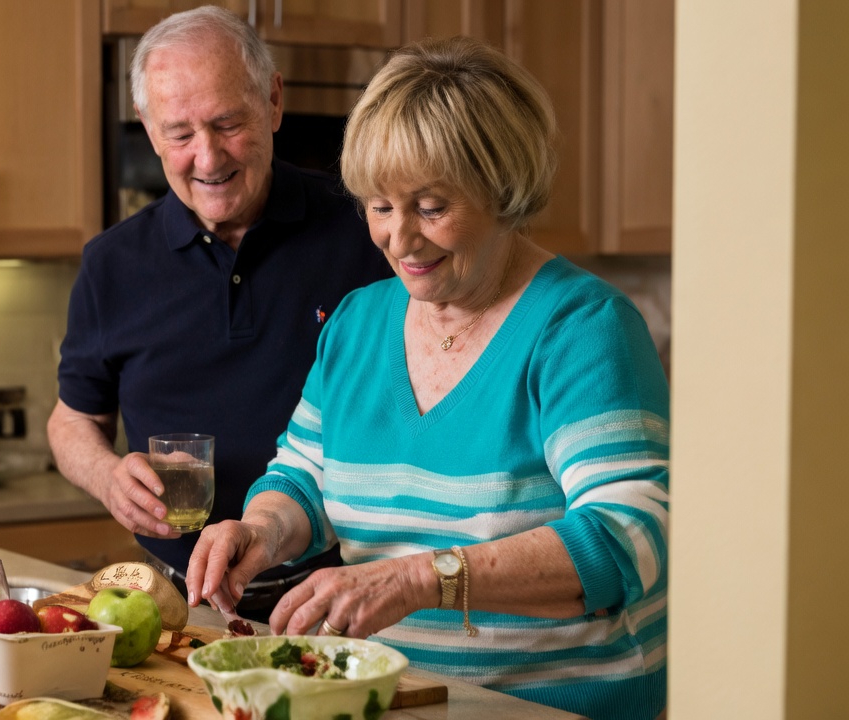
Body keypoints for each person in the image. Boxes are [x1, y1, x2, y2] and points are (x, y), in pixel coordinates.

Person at [184, 37, 668, 720]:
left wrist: (424, 578)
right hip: (391, 700)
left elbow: (629, 538)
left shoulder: (581, 328)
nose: (400, 239)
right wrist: (261, 531)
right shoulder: (357, 322)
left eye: (432, 207)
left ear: (504, 190)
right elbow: (304, 477)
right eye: (379, 206)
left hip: (549, 709)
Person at [48, 6, 392, 621]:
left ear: (273, 101)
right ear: (149, 129)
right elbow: (72, 420)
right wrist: (107, 477)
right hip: (175, 600)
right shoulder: (111, 264)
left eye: (228, 124)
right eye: (180, 134)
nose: (207, 159)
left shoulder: (368, 230)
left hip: (340, 594)